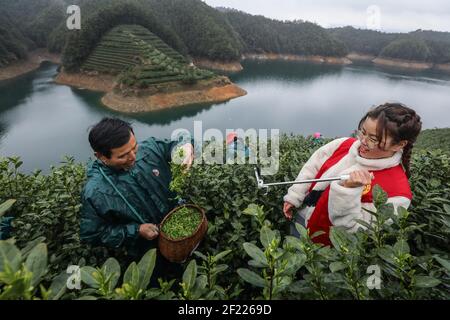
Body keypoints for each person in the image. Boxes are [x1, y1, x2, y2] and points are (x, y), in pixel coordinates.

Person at [283, 103, 422, 246]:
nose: (362, 141)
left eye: (373, 139)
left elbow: (355, 233)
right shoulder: (343, 144)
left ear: (399, 145)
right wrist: (294, 196)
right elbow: (312, 168)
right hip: (301, 216)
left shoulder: (397, 194)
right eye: (362, 131)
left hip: (326, 246)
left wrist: (348, 191)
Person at [80, 118, 194, 281]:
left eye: (134, 147)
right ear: (101, 156)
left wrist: (185, 147)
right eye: (123, 155)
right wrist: (136, 230)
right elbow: (93, 234)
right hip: (147, 251)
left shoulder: (149, 148)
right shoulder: (96, 191)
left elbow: (177, 142)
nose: (133, 156)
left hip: (182, 230)